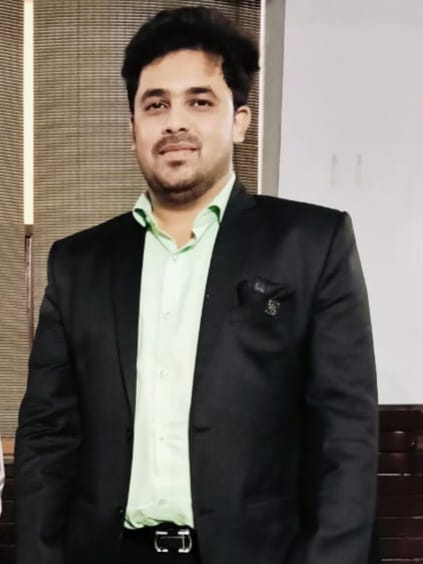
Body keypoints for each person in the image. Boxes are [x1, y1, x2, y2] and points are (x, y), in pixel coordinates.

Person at [15, 6, 378, 564]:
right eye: (155, 104)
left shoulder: (312, 244)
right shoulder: (78, 263)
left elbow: (346, 439)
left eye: (200, 102)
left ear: (239, 121)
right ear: (132, 128)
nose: (175, 123)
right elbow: (47, 438)